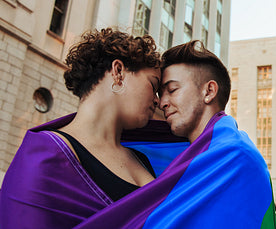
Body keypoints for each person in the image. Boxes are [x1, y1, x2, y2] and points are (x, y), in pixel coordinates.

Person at [73, 40, 276, 228]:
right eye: (160, 93)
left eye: (171, 90)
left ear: (209, 92)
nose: (162, 102)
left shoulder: (236, 155)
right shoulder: (193, 156)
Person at [0, 28, 162, 228]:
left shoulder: (142, 159)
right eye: (153, 86)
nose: (158, 101)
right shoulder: (43, 157)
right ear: (118, 72)